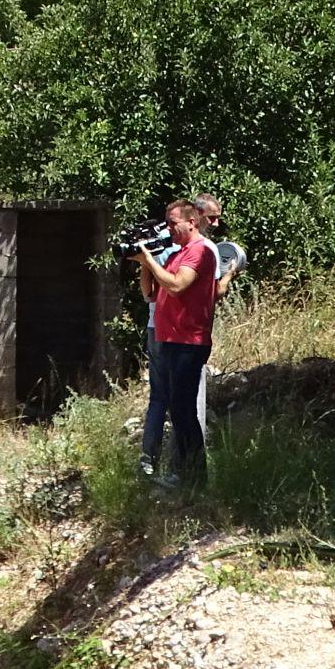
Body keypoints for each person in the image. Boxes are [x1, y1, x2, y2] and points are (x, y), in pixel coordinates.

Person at [134, 198, 217, 486]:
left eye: (173, 223)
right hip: (169, 339)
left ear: (191, 222)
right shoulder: (177, 253)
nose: (169, 229)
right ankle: (184, 473)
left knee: (183, 409)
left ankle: (195, 476)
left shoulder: (201, 252)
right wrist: (146, 264)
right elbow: (151, 293)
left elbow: (177, 285)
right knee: (175, 407)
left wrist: (149, 260)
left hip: (189, 341)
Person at [191, 193, 245, 433]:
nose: (216, 224)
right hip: (193, 331)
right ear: (198, 215)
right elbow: (216, 292)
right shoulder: (205, 248)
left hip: (166, 329)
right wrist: (229, 274)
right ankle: (193, 455)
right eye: (212, 218)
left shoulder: (174, 243)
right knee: (194, 395)